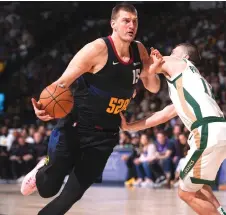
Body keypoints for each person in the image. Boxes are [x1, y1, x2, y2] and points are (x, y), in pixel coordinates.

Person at [20, 3, 162, 215]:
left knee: (71, 196)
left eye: (135, 21)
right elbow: (62, 83)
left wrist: (151, 72)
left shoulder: (139, 50)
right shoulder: (97, 49)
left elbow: (154, 87)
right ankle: (44, 167)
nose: (131, 25)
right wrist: (45, 107)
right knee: (48, 189)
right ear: (113, 24)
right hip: (76, 127)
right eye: (126, 20)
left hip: (106, 135)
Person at [120, 43, 226, 215]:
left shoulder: (179, 62)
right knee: (195, 181)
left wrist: (126, 85)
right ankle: (220, 210)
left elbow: (146, 74)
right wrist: (130, 127)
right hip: (218, 130)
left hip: (206, 131)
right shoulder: (190, 83)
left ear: (185, 57)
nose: (167, 55)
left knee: (185, 192)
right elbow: (162, 115)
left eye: (173, 52)